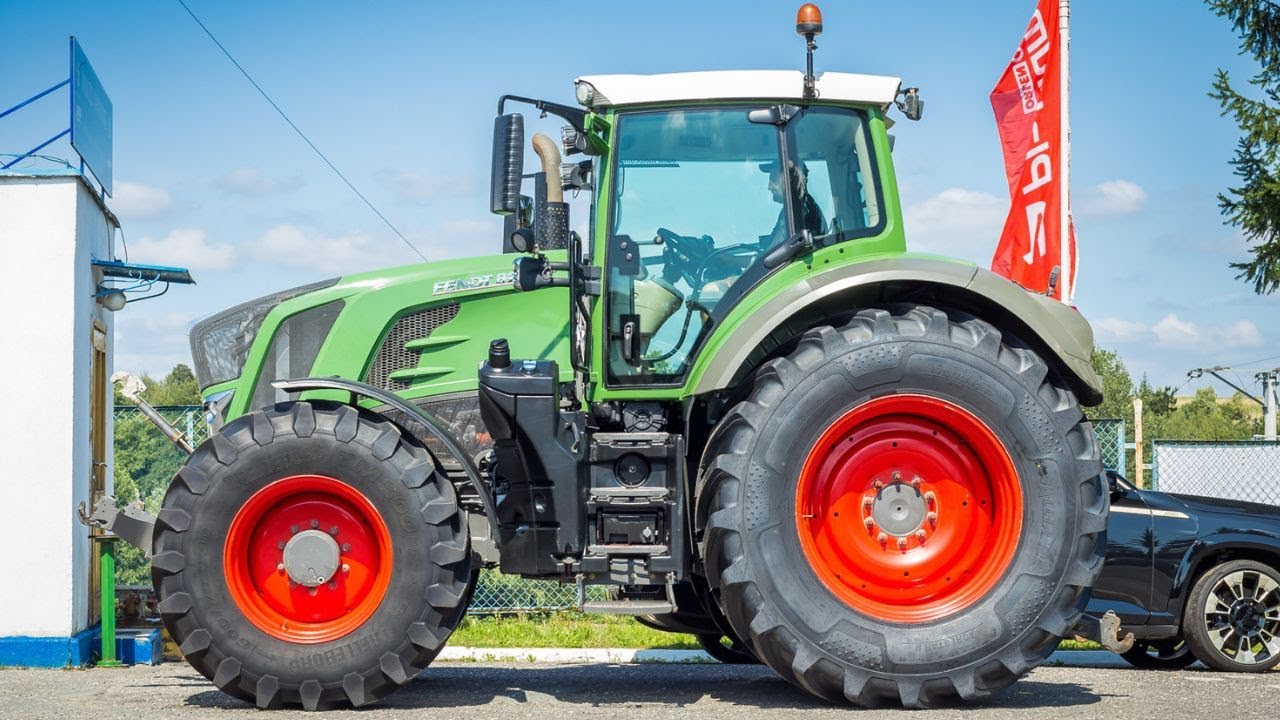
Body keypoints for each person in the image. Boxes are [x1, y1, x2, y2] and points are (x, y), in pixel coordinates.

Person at [760, 160, 827, 250]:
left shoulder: (797, 210)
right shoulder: (801, 205)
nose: (769, 186)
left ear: (791, 179)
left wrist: (737, 260)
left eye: (774, 178)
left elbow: (772, 254)